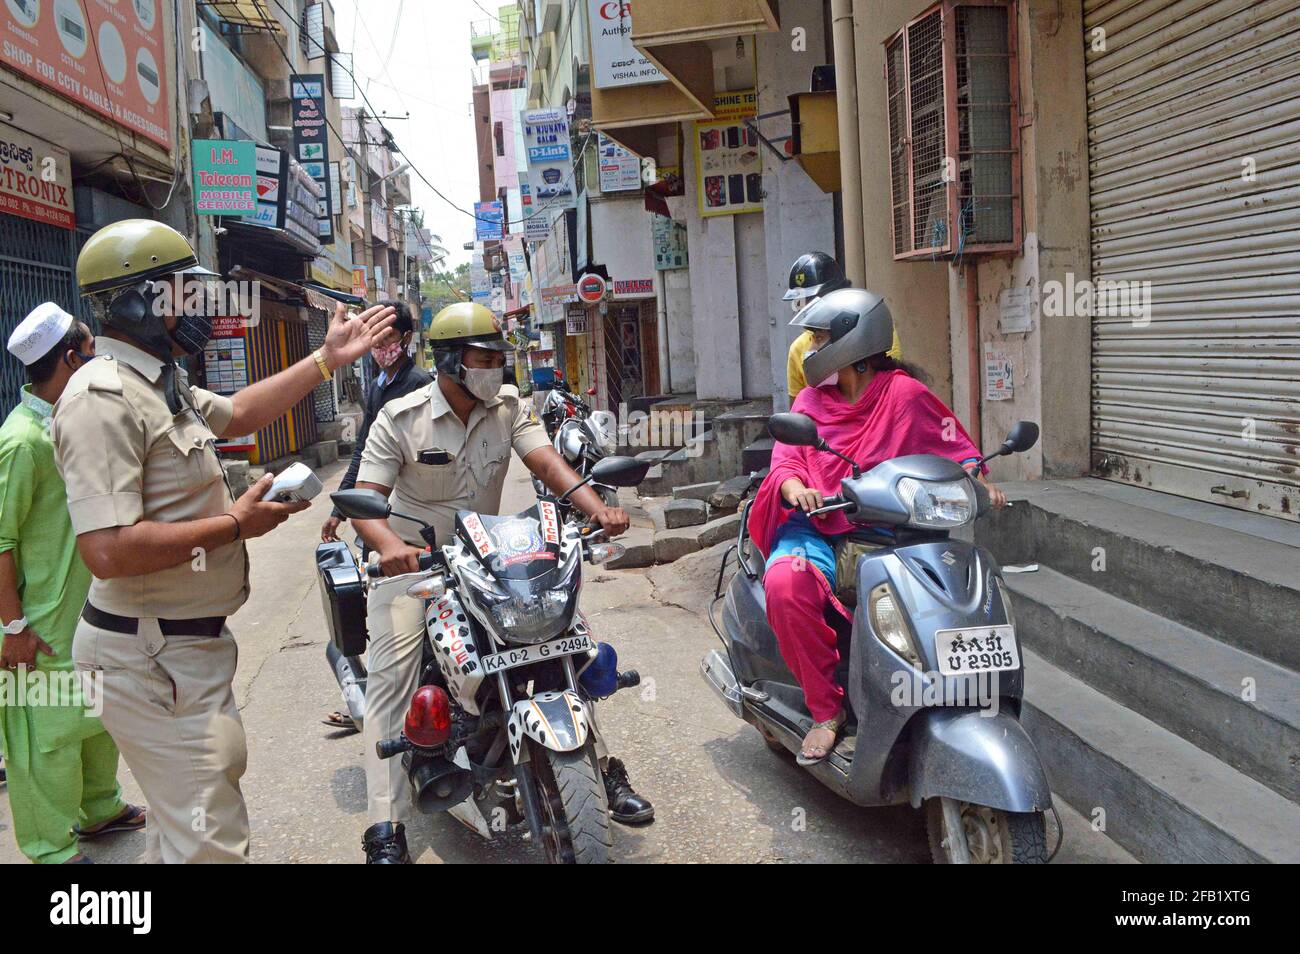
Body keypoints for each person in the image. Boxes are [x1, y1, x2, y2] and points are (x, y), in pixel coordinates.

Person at [50, 219, 395, 863]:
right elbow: (107, 548)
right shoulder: (101, 398)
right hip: (149, 652)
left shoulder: (160, 381)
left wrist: (328, 359)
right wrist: (237, 524)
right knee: (208, 842)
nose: (203, 309)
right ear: (137, 301)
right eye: (186, 293)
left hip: (183, 649)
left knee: (189, 826)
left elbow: (239, 413)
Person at [351, 301, 653, 863]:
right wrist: (391, 548)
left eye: (498, 357)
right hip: (417, 566)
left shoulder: (507, 406)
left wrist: (595, 507)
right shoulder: (401, 417)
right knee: (390, 681)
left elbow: (546, 464)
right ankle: (384, 829)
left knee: (570, 647)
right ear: (449, 362)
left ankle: (601, 770)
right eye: (483, 357)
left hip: (488, 558)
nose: (495, 367)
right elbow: (366, 502)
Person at [750, 288, 1006, 764]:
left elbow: (954, 447)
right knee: (786, 585)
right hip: (817, 529)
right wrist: (796, 490)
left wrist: (977, 481)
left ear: (852, 343)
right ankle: (828, 712)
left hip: (890, 532)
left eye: (820, 337)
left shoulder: (904, 394)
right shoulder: (810, 399)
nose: (810, 347)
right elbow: (785, 463)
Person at [0, 303, 145, 864]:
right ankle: (48, 848)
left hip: (87, 612)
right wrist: (12, 626)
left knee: (93, 720)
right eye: (91, 352)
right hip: (37, 625)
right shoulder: (21, 441)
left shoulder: (65, 425)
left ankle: (99, 808)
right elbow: (2, 542)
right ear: (70, 359)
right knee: (45, 739)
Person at [320, 300, 431, 547]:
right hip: (376, 498)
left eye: (387, 335)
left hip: (410, 502)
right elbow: (363, 450)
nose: (379, 343)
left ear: (406, 338)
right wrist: (339, 510)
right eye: (374, 333)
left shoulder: (420, 384)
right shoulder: (375, 386)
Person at [784, 252, 902, 400]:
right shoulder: (798, 349)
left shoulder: (872, 331)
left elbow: (888, 385)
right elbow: (798, 412)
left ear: (838, 294)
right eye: (800, 301)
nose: (805, 307)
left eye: (812, 300)